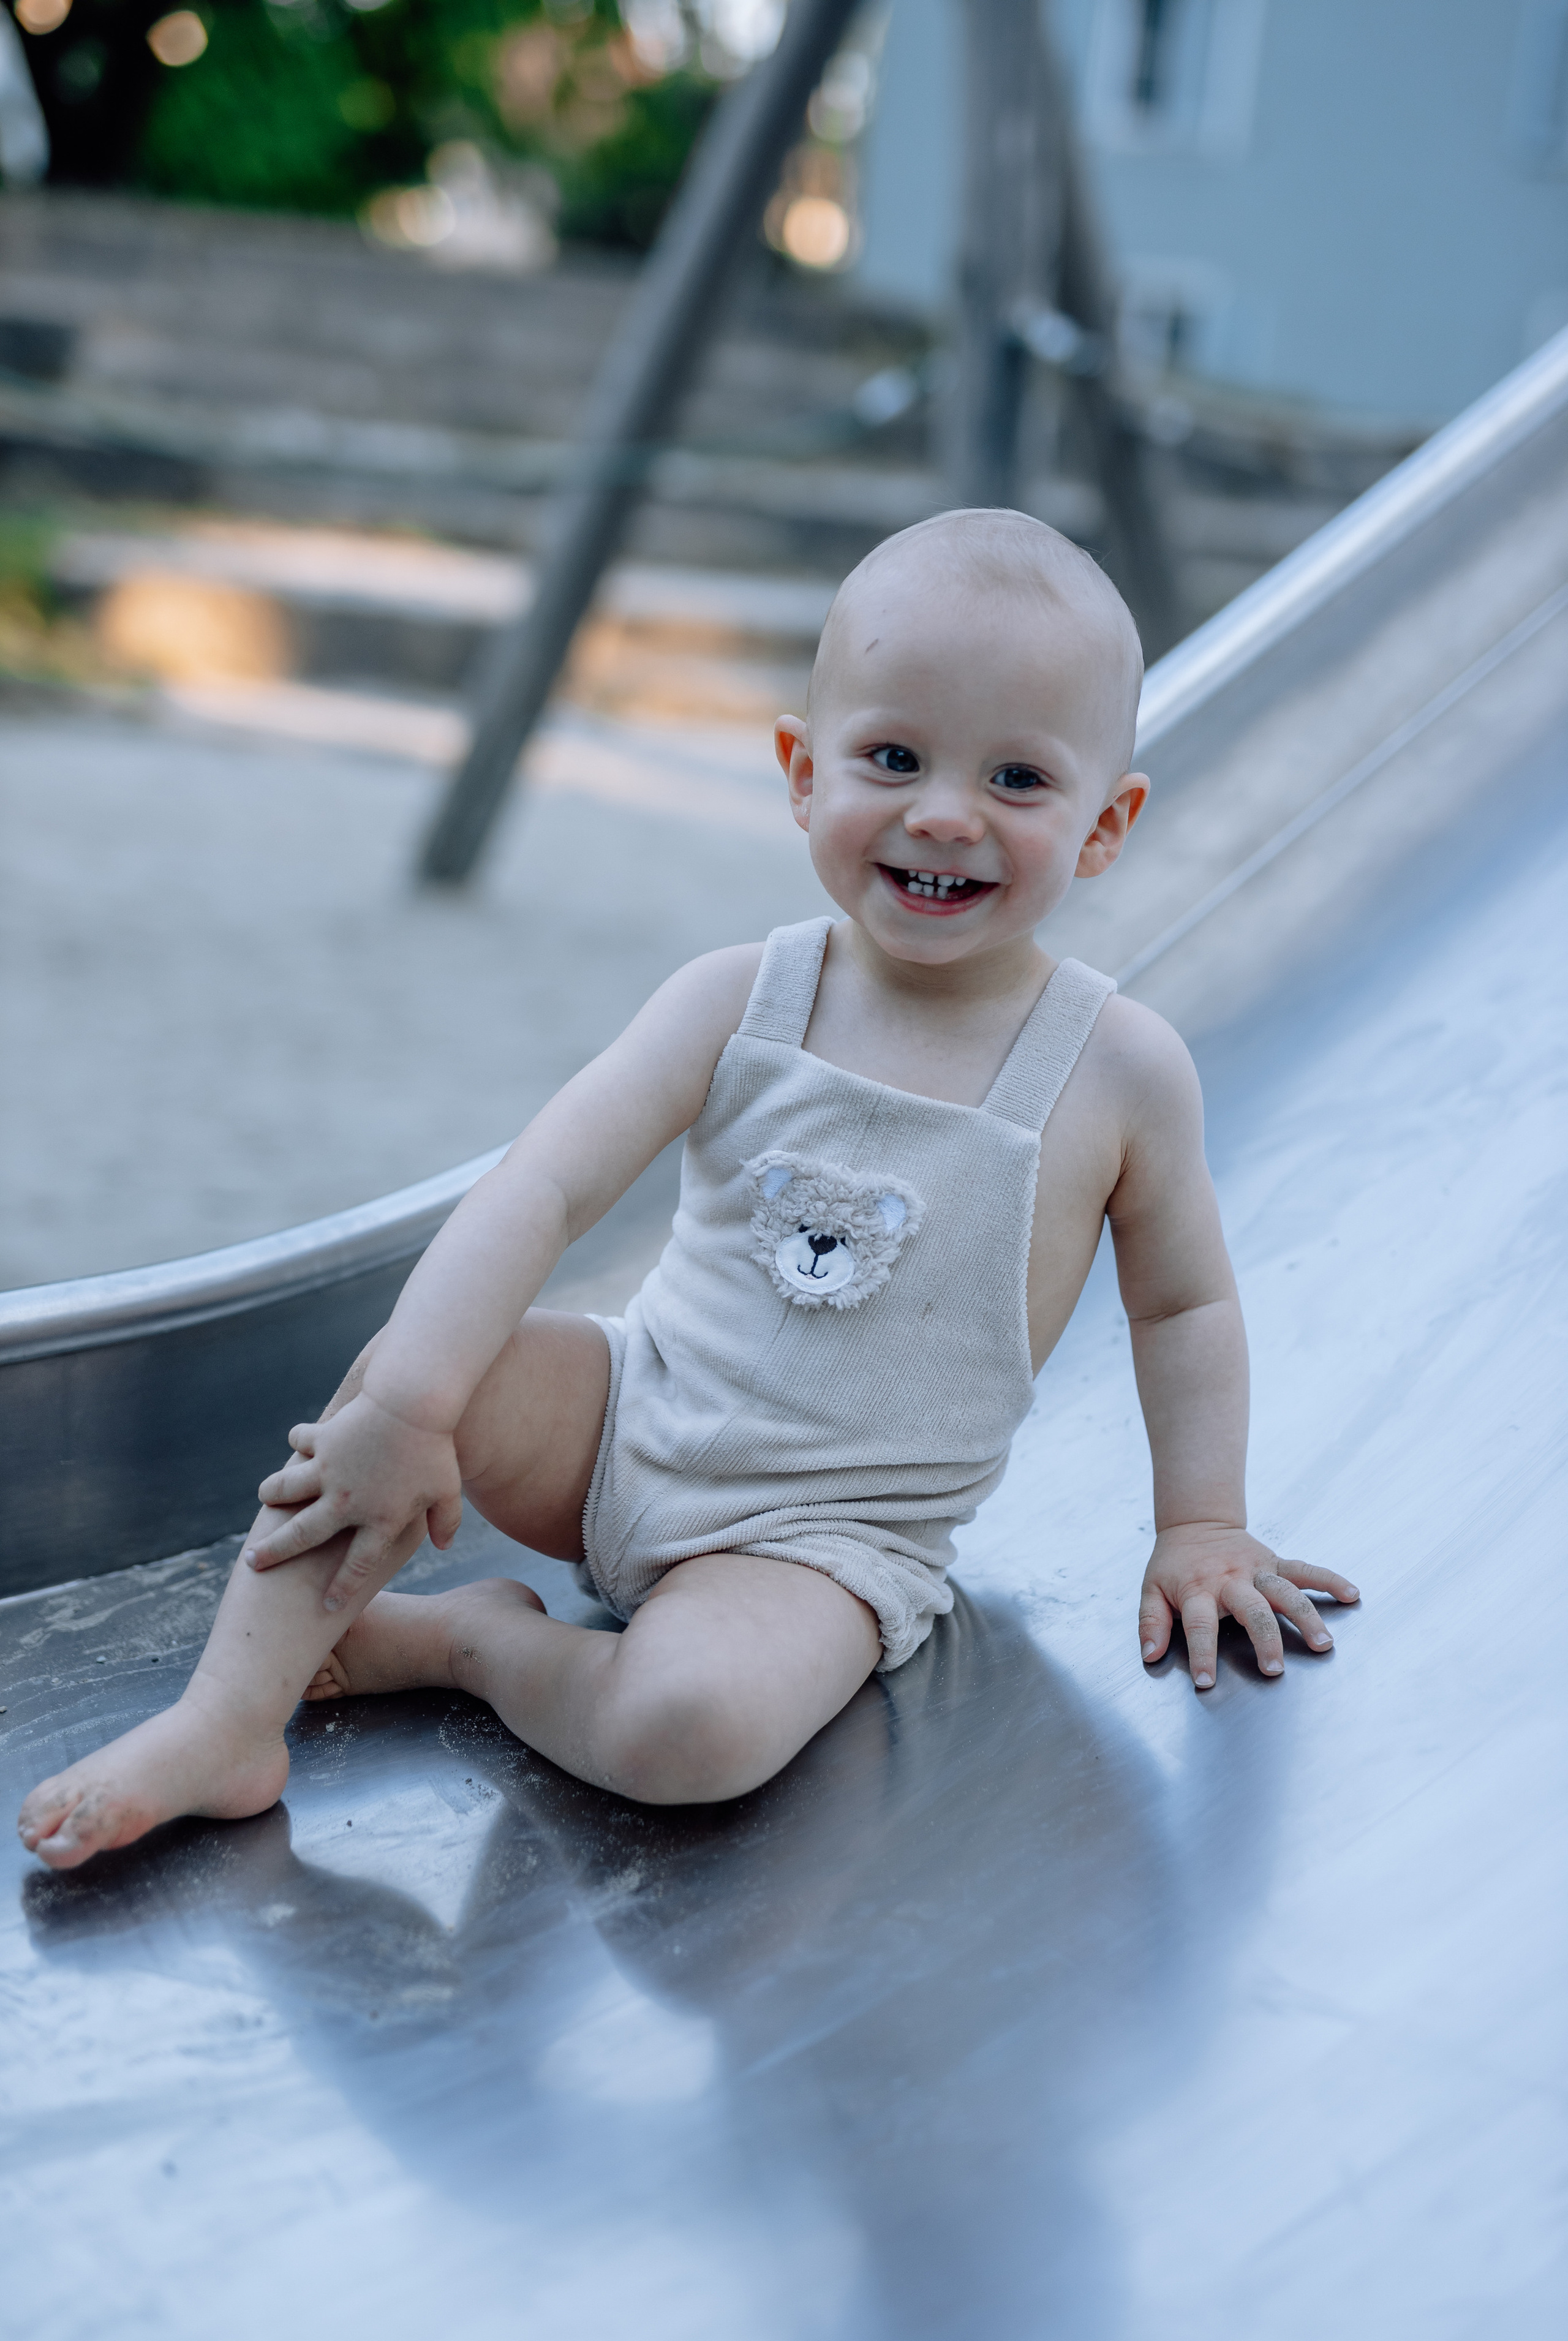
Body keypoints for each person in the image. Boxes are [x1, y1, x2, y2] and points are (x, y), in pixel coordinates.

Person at [18, 508, 1358, 1871]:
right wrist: (421, 1408)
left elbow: (1182, 1306)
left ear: (1104, 824)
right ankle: (227, 1723)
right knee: (391, 1384)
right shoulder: (738, 1000)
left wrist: (1198, 1524)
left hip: (822, 1541)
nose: (942, 813)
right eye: (890, 757)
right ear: (798, 770)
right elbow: (539, 1188)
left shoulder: (1116, 1069)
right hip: (625, 1415)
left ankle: (481, 1649)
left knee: (691, 1735)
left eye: (1017, 780)